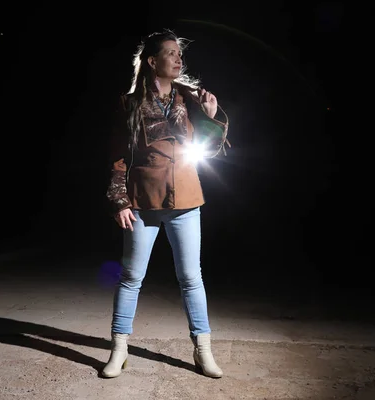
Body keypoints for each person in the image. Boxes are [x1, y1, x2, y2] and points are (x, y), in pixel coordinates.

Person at [103, 29, 230, 379]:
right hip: (142, 202)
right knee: (130, 277)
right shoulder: (129, 104)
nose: (178, 59)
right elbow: (118, 157)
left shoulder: (189, 99)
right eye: (171, 53)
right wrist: (120, 201)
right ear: (152, 61)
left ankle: (203, 350)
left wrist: (210, 114)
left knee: (191, 277)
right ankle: (119, 350)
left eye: (179, 54)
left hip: (186, 199)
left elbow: (214, 146)